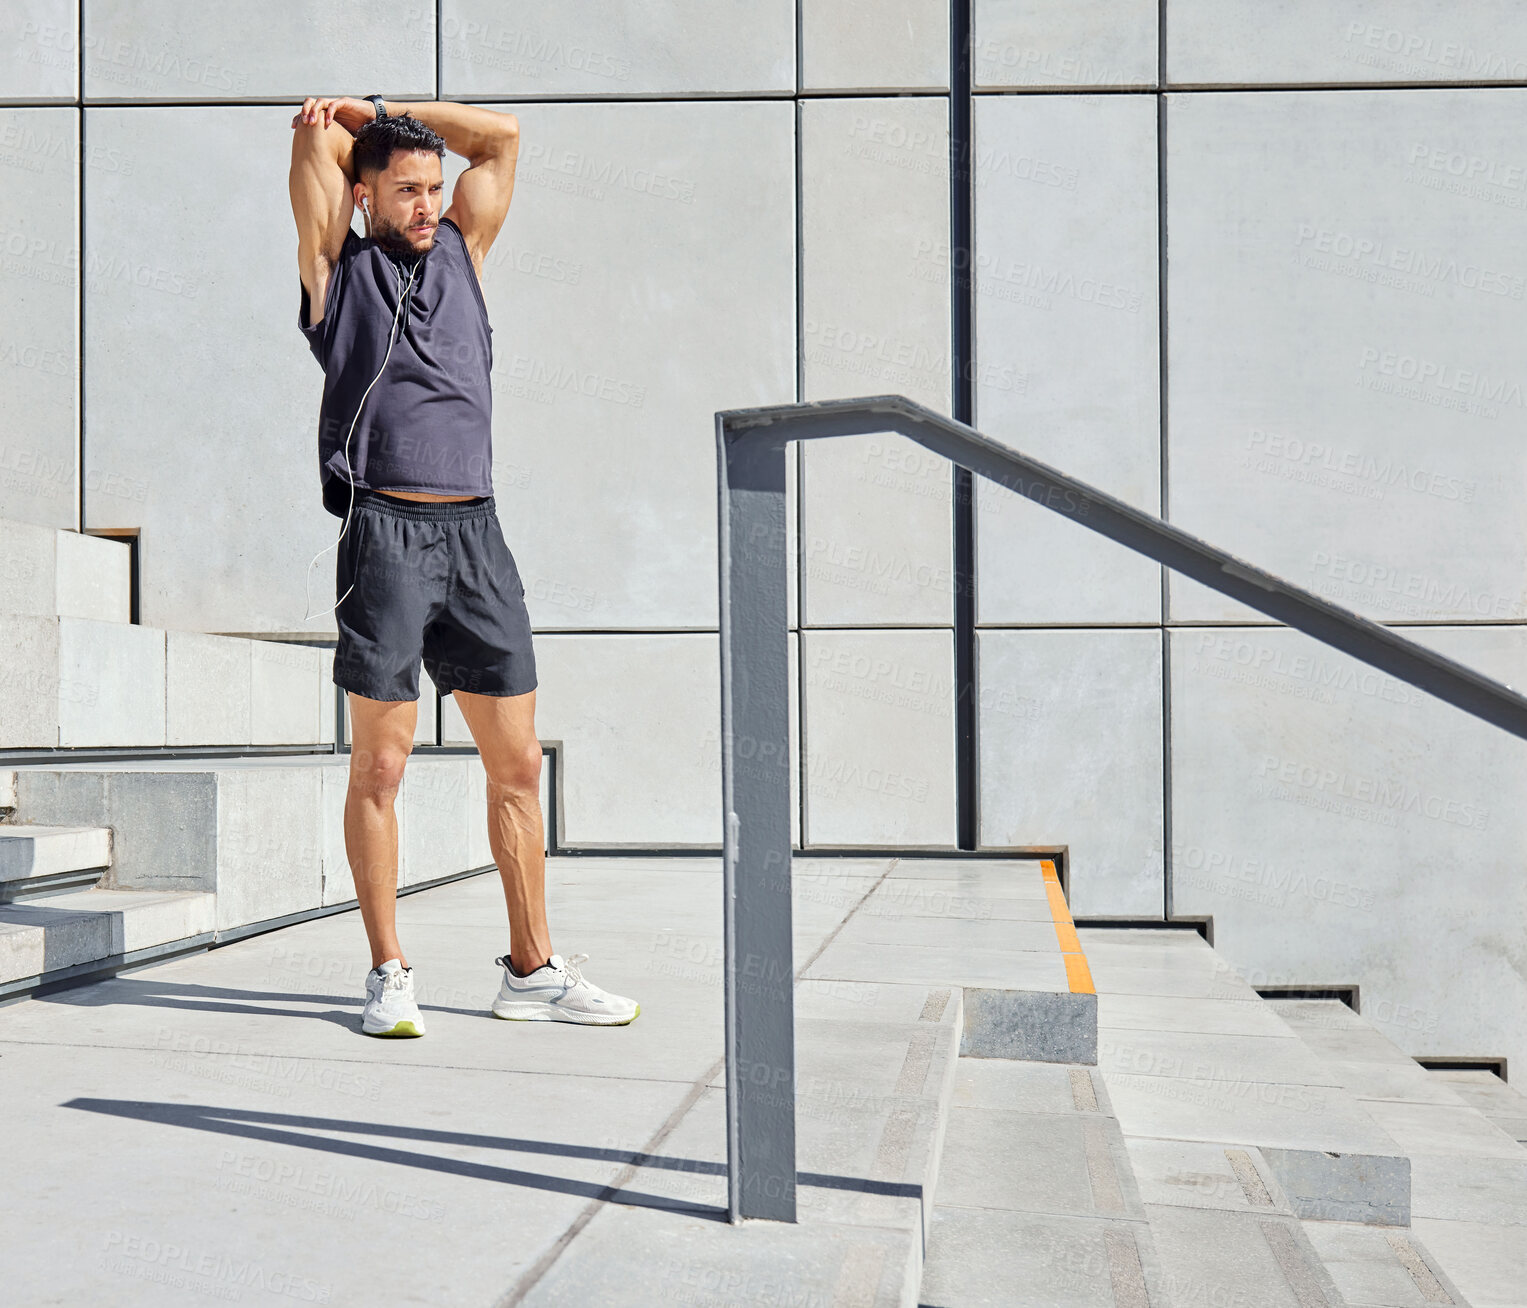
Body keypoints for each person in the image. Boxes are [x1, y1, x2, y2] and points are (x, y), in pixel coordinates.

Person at [288, 94, 638, 1037]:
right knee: (384, 765)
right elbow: (316, 139)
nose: (428, 205)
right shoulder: (338, 269)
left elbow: (505, 135)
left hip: (477, 535)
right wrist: (342, 125)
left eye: (435, 189)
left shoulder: (463, 255)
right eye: (405, 191)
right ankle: (388, 971)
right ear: (362, 197)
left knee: (518, 762)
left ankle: (530, 970)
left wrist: (384, 109)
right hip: (387, 534)